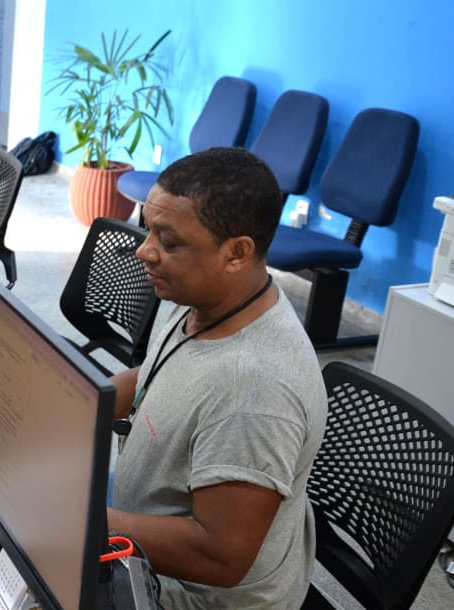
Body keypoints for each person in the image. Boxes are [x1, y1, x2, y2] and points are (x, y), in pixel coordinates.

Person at [107, 147, 327, 608]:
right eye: (149, 229)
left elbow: (219, 557)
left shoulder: (257, 391)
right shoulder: (201, 295)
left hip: (193, 595)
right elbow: (152, 374)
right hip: (142, 531)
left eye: (168, 241)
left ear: (237, 253)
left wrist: (82, 520)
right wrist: (72, 404)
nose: (144, 250)